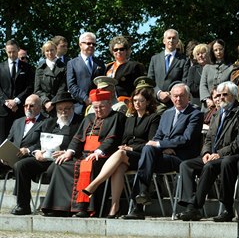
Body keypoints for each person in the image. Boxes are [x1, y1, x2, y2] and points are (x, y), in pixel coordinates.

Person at [122, 83, 203, 220]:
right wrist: (163, 147)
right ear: (170, 97)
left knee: (148, 152)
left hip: (182, 158)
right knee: (148, 150)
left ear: (188, 97)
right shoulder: (167, 113)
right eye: (175, 96)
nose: (178, 99)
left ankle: (139, 200)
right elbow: (158, 136)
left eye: (181, 96)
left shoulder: (195, 114)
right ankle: (140, 199)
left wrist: (161, 144)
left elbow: (186, 139)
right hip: (165, 156)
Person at [41, 89, 126, 217]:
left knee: (88, 166)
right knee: (61, 165)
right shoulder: (89, 117)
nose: (98, 110)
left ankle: (83, 208)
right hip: (84, 155)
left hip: (103, 156)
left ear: (109, 104)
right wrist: (69, 152)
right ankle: (59, 207)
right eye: (95, 107)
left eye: (101, 107)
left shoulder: (117, 117)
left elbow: (112, 139)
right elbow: (77, 138)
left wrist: (98, 151)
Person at [81, 81, 160, 217]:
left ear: (147, 102)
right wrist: (125, 146)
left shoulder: (154, 118)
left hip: (143, 156)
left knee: (121, 153)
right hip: (126, 155)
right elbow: (124, 140)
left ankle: (94, 185)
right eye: (134, 100)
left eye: (140, 101)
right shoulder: (129, 119)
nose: (137, 103)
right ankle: (115, 206)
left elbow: (151, 142)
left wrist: (130, 147)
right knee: (118, 167)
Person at [177, 81, 239, 222]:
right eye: (218, 95)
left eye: (225, 95)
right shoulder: (216, 114)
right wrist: (206, 153)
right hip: (212, 156)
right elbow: (208, 139)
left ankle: (196, 207)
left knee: (210, 166)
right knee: (186, 165)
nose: (220, 98)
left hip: (230, 157)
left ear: (234, 96)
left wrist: (220, 153)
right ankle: (191, 205)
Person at [10, 92, 81, 215]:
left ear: (73, 108)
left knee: (57, 166)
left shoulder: (80, 123)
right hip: (44, 159)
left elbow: (81, 144)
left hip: (65, 160)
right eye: (60, 109)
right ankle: (23, 205)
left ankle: (55, 207)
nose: (63, 111)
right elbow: (37, 143)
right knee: (21, 165)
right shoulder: (49, 122)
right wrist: (36, 153)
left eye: (67, 108)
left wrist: (65, 152)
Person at [0, 39, 35, 143]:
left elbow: (30, 87)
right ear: (5, 51)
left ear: (18, 50)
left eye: (14, 51)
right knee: (2, 141)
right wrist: (7, 102)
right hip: (3, 111)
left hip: (20, 110)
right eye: (9, 52)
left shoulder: (27, 68)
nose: (11, 54)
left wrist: (16, 101)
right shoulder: (0, 67)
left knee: (19, 140)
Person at [0, 94, 46, 172]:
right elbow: (9, 140)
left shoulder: (46, 122)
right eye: (25, 106)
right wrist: (4, 154)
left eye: (31, 106)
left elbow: (44, 144)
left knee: (20, 165)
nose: (28, 108)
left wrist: (28, 150)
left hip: (31, 157)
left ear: (40, 107)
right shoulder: (17, 121)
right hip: (13, 157)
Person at [147, 29, 189, 113]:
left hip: (175, 103)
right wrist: (158, 93)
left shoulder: (184, 60)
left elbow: (184, 82)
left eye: (174, 38)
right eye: (169, 38)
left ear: (177, 41)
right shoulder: (155, 59)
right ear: (164, 40)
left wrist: (170, 94)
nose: (171, 40)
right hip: (156, 103)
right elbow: (150, 81)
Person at [66, 32, 106, 115]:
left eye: (94, 44)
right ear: (80, 44)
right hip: (78, 107)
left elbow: (103, 84)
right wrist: (86, 99)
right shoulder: (72, 63)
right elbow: (71, 85)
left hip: (98, 107)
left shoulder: (100, 64)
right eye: (88, 43)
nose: (91, 46)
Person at [34, 40, 68, 115]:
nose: (50, 53)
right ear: (44, 52)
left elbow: (63, 87)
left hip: (58, 104)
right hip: (44, 106)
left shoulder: (63, 67)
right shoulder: (40, 68)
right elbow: (37, 90)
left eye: (52, 50)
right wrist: (46, 101)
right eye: (47, 51)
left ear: (56, 50)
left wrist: (53, 102)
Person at [199, 39, 233, 112]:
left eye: (220, 49)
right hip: (208, 106)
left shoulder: (231, 68)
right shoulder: (207, 68)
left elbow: (230, 88)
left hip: (223, 105)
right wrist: (207, 99)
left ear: (224, 50)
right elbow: (203, 85)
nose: (218, 52)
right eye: (215, 50)